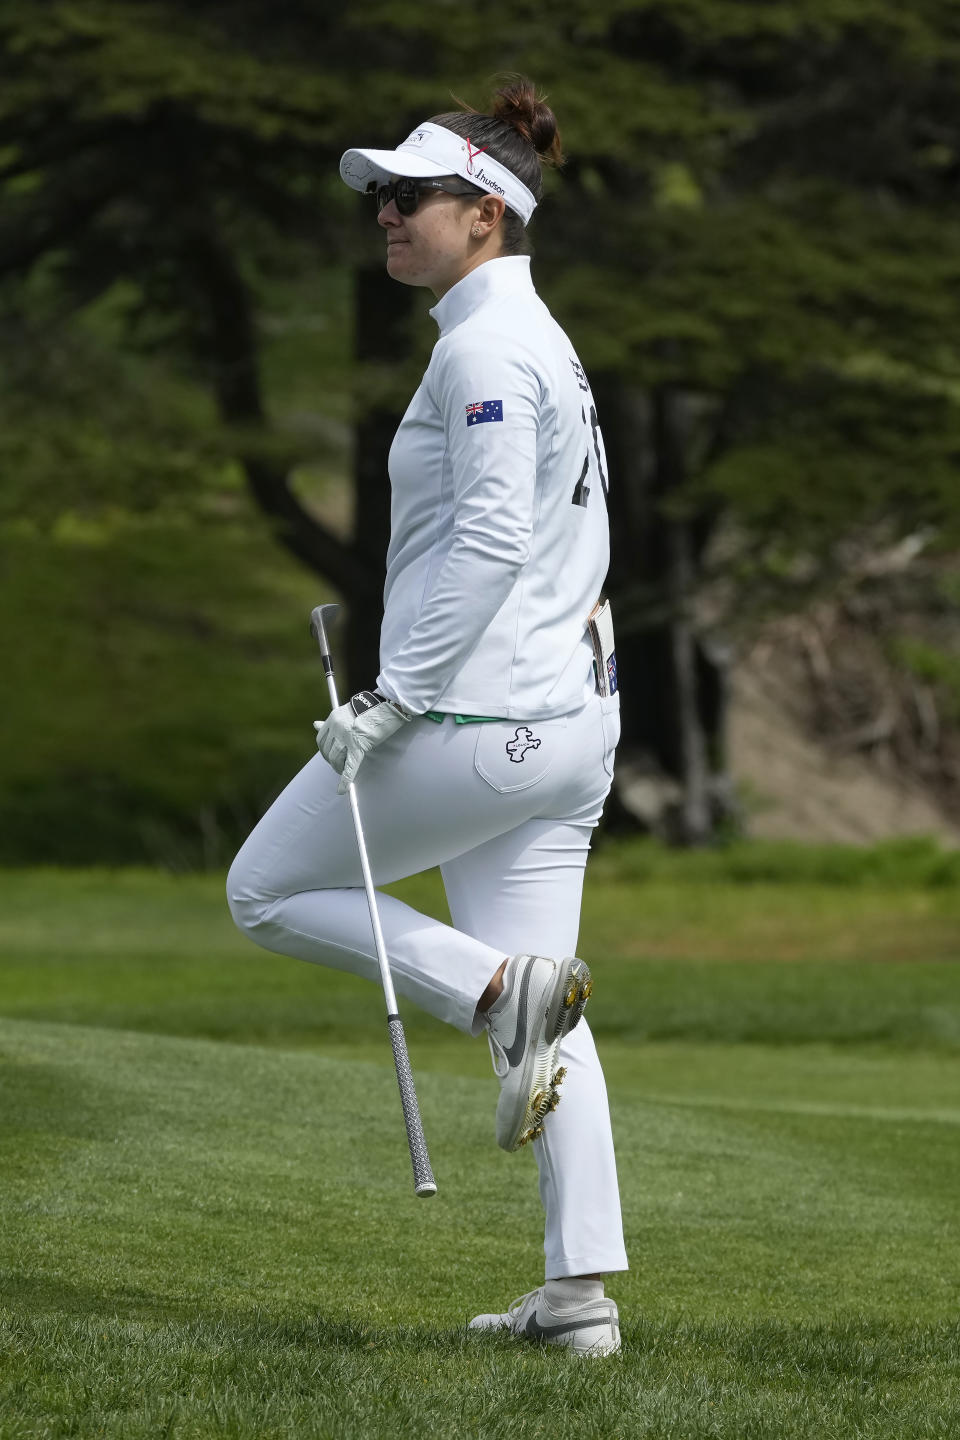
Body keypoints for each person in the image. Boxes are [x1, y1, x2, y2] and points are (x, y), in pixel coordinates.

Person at [227, 77, 627, 1357]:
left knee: (265, 890)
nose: (387, 216)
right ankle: (578, 1300)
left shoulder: (487, 346)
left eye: (412, 198)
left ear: (485, 214)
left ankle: (491, 989)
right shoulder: (531, 336)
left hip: (480, 721)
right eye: (383, 199)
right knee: (551, 1014)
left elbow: (501, 534)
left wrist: (397, 696)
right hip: (557, 725)